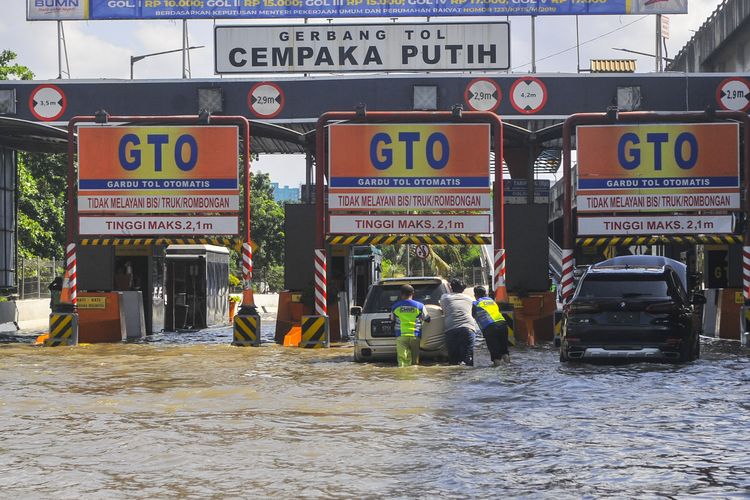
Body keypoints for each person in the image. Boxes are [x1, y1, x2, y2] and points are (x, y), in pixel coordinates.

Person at [440, 278, 479, 366]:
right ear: (463, 289)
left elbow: (443, 310)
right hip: (468, 328)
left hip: (451, 329)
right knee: (468, 358)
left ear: (451, 288)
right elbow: (473, 313)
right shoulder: (469, 298)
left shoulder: (444, 297)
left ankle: (456, 377)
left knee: (453, 360)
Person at [390, 284, 430, 367]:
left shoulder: (395, 306)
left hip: (401, 336)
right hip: (415, 336)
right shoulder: (420, 306)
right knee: (415, 361)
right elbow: (427, 319)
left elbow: (392, 319)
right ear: (413, 293)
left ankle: (403, 377)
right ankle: (414, 376)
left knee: (402, 360)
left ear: (401, 294)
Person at [472, 286, 510, 365]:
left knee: (495, 355)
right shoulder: (492, 301)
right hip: (503, 324)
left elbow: (473, 316)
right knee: (504, 351)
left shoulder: (476, 303)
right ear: (485, 294)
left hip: (490, 327)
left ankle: (496, 372)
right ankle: (508, 369)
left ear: (475, 295)